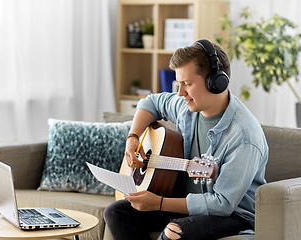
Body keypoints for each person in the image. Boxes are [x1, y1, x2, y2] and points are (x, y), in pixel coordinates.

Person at [104, 39, 268, 240]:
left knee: (175, 231)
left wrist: (159, 203)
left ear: (216, 82)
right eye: (179, 83)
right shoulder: (187, 108)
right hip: (183, 201)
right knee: (115, 212)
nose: (180, 93)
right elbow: (150, 102)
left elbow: (223, 203)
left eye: (187, 84)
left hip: (233, 214)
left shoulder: (244, 136)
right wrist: (133, 138)